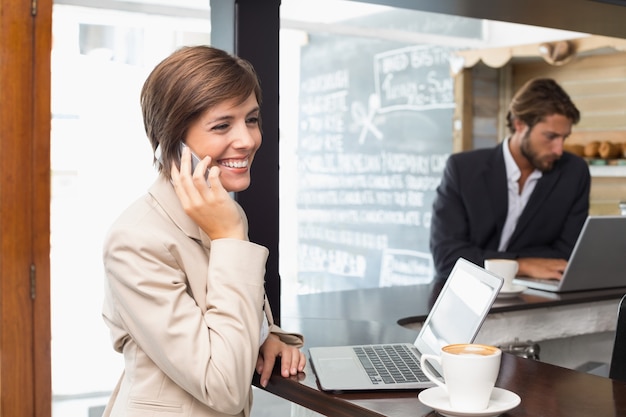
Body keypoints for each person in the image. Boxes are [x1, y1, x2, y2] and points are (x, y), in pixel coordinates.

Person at [101, 45, 305, 417]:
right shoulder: (135, 241)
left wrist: (266, 337)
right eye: (222, 125)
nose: (246, 139)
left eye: (252, 119)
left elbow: (228, 318)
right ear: (173, 138)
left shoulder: (223, 214)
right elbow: (223, 385)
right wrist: (229, 238)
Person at [429, 77, 590, 282]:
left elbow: (567, 255)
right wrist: (520, 265)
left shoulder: (574, 172)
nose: (559, 149)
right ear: (519, 124)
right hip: (463, 295)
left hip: (536, 295)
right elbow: (447, 258)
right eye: (550, 137)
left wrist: (483, 257)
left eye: (564, 137)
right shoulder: (463, 170)